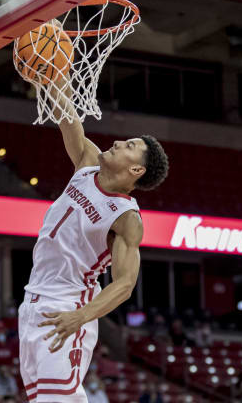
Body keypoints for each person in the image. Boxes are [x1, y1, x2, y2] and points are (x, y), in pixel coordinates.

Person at [19, 73, 169, 401]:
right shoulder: (87, 166)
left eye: (130, 147)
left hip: (67, 306)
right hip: (33, 302)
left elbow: (125, 284)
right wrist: (51, 72)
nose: (117, 143)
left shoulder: (126, 218)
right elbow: (68, 117)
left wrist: (79, 317)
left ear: (136, 171)